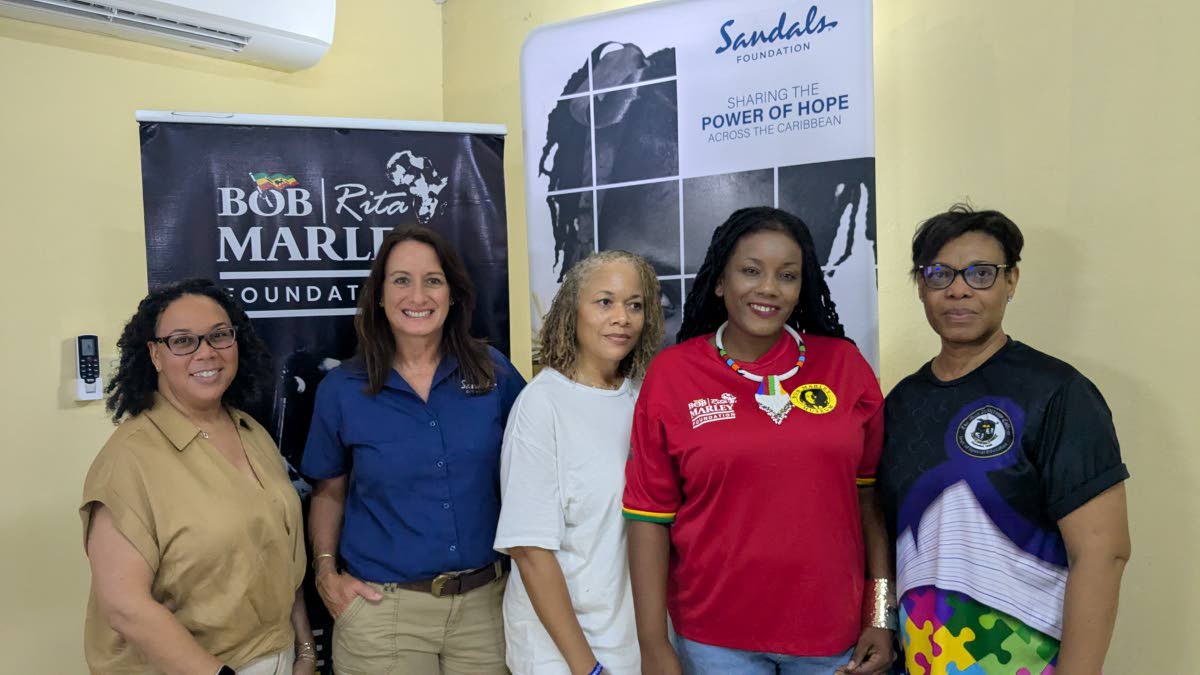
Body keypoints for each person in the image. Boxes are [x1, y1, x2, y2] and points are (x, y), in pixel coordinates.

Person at [623, 207, 894, 675]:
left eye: (787, 275)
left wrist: (880, 613)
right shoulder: (673, 373)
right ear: (720, 281)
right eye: (751, 271)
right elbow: (649, 518)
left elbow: (868, 502)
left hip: (831, 635)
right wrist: (652, 643)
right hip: (713, 639)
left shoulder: (845, 366)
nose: (768, 288)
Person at [876, 205, 1131, 674]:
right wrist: (879, 617)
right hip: (922, 659)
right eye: (939, 274)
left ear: (1011, 281)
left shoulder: (1059, 393)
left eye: (981, 273)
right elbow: (880, 530)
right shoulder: (900, 403)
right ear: (920, 285)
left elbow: (1102, 551)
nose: (958, 289)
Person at [302, 226, 526, 675]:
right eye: (401, 279)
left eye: (433, 280)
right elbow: (329, 492)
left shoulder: (493, 372)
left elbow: (535, 467)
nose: (417, 295)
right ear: (379, 296)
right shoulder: (342, 389)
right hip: (384, 615)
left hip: (487, 611)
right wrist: (326, 573)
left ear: (453, 294)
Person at [81, 278, 314, 675]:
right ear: (155, 354)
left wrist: (305, 650)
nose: (206, 352)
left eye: (219, 336)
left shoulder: (251, 432)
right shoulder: (129, 458)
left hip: (279, 657)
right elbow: (124, 607)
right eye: (183, 341)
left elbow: (280, 557)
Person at [495, 251, 664, 674]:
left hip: (636, 642)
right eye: (605, 301)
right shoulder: (541, 405)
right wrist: (587, 668)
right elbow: (530, 550)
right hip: (563, 653)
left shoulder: (646, 397)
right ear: (573, 310)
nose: (622, 317)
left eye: (635, 304)